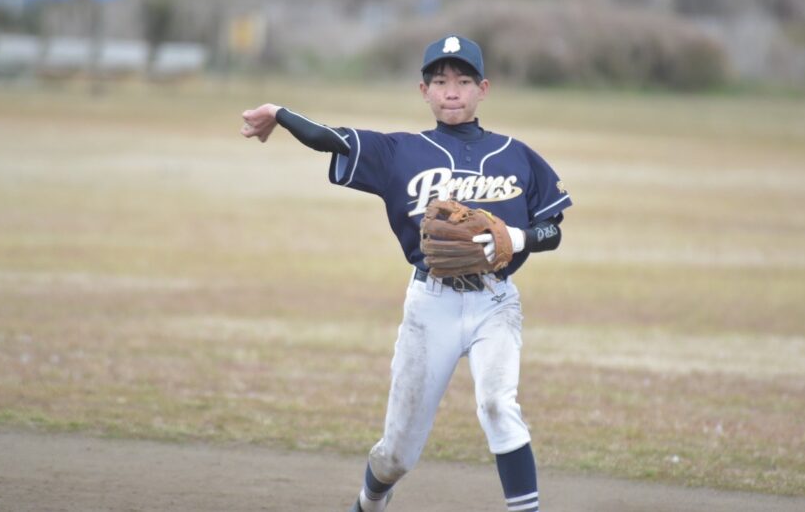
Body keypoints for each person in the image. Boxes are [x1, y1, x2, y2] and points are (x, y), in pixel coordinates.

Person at [241, 35, 571, 512]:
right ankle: (370, 502)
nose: (451, 91)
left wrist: (516, 239)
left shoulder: (516, 156)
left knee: (499, 407)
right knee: (396, 453)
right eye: (440, 81)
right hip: (430, 306)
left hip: (495, 303)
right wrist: (280, 112)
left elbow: (552, 228)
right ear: (424, 92)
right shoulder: (401, 151)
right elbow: (333, 138)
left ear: (484, 88)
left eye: (462, 81)